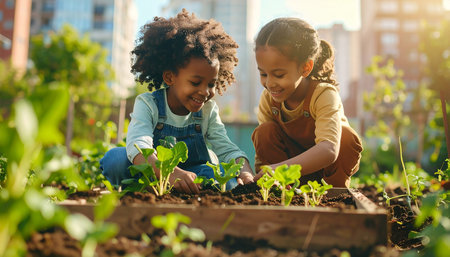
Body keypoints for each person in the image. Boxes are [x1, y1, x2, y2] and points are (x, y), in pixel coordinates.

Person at [100, 10, 254, 194]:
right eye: (195, 82)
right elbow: (138, 145)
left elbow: (227, 149)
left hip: (194, 174)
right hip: (154, 170)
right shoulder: (149, 103)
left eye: (211, 84)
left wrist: (245, 173)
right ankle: (154, 187)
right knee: (115, 160)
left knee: (222, 177)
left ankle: (172, 190)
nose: (205, 92)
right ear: (170, 77)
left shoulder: (207, 110)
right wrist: (170, 173)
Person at [251, 18, 363, 187]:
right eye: (263, 74)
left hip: (327, 174)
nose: (270, 83)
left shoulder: (324, 94)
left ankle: (335, 196)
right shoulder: (269, 99)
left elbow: (329, 150)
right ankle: (280, 191)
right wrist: (263, 176)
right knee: (264, 131)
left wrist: (279, 169)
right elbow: (266, 147)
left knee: (345, 136)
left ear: (305, 68)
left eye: (279, 75)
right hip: (288, 176)